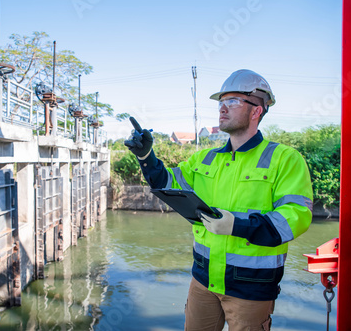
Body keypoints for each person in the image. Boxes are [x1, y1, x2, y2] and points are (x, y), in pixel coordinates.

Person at [124, 69, 313, 331]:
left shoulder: (285, 159)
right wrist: (146, 157)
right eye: (221, 103)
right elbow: (168, 184)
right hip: (203, 279)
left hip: (251, 287)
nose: (222, 109)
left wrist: (238, 226)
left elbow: (295, 217)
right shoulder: (205, 158)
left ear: (257, 110)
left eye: (232, 102)